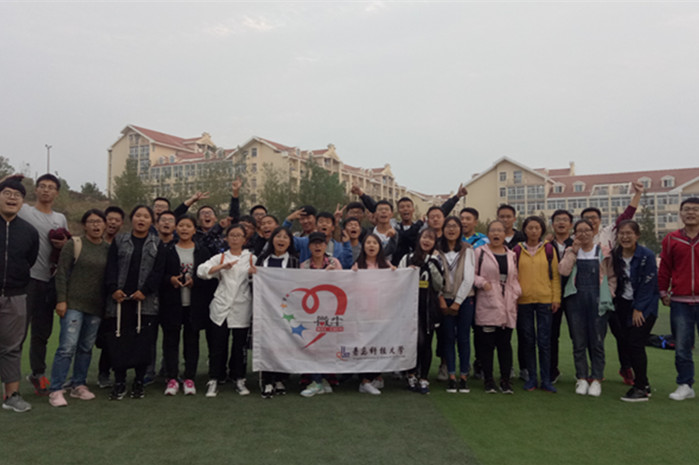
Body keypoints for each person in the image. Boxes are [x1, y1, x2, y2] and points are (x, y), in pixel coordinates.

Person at [583, 181, 643, 385]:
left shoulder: (609, 232)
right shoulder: (579, 238)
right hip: (589, 293)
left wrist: (637, 194)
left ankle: (626, 367)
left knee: (621, 334)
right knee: (593, 335)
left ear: (599, 220)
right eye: (587, 218)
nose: (591, 221)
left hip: (613, 293)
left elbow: (627, 216)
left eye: (594, 218)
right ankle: (594, 370)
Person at [48, 209, 110, 407]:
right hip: (73, 304)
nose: (96, 225)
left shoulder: (108, 249)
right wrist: (61, 300)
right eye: (91, 221)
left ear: (105, 225)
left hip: (96, 306)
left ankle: (78, 384)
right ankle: (56, 389)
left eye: (99, 221)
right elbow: (61, 273)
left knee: (85, 348)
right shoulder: (74, 244)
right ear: (84, 225)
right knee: (67, 347)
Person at [104, 205, 165, 400]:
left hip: (145, 302)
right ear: (131, 219)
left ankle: (139, 382)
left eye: (146, 216)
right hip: (120, 301)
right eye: (138, 215)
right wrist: (114, 289)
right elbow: (111, 267)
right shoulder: (119, 240)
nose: (141, 219)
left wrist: (145, 291)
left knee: (142, 343)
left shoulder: (157, 244)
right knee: (119, 342)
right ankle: (119, 382)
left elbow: (158, 271)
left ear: (151, 221)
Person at [19, 173, 68, 396]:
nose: (46, 190)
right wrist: (8, 180)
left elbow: (66, 248)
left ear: (56, 193)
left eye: (51, 187)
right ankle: (10, 379)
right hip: (27, 280)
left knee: (42, 332)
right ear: (36, 189)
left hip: (50, 282)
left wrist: (64, 243)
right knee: (18, 332)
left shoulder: (60, 218)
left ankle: (37, 374)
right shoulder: (24, 211)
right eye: (42, 186)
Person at [197, 224, 256, 398]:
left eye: (239, 235)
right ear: (227, 238)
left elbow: (263, 276)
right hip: (221, 307)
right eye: (232, 235)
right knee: (218, 345)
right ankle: (214, 379)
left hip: (242, 306)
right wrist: (220, 267)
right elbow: (201, 271)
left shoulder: (251, 258)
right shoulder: (221, 257)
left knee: (239, 346)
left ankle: (239, 378)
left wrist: (254, 273)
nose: (235, 238)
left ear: (244, 239)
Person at [558, 219, 614, 397]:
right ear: (574, 234)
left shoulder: (603, 251)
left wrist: (609, 294)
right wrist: (573, 252)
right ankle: (581, 377)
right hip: (575, 300)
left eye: (586, 230)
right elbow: (563, 271)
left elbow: (612, 276)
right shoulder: (571, 251)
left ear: (593, 232)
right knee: (578, 340)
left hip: (597, 299)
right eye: (579, 231)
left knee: (597, 341)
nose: (583, 234)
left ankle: (596, 379)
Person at [606, 220, 658, 402]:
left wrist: (638, 309)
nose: (625, 237)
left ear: (637, 235)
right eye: (622, 233)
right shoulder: (615, 255)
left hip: (644, 306)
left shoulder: (646, 255)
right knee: (627, 343)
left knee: (636, 343)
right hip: (622, 305)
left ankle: (641, 387)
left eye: (629, 233)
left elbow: (648, 286)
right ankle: (643, 383)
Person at [161, 215, 212, 396]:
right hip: (172, 304)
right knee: (170, 341)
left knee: (192, 342)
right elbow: (159, 274)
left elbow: (209, 277)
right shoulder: (167, 250)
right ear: (176, 228)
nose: (184, 229)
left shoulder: (202, 251)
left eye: (188, 226)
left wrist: (195, 282)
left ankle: (189, 378)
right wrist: (171, 279)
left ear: (194, 230)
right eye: (181, 225)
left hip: (194, 305)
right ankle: (172, 378)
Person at [0, 177, 39, 413]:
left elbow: (30, 260)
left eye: (17, 195)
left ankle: (11, 395)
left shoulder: (29, 231)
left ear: (23, 201)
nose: (12, 197)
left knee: (12, 347)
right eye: (7, 192)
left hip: (16, 296)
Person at [472, 221, 521, 394]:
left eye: (500, 230)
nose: (496, 234)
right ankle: (489, 380)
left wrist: (516, 292)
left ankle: (506, 380)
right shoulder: (480, 252)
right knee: (487, 345)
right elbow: (472, 274)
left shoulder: (511, 254)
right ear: (488, 234)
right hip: (488, 302)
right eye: (493, 230)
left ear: (504, 234)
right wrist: (482, 283)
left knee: (505, 344)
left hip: (507, 302)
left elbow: (514, 277)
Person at [513, 216, 560, 393]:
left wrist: (556, 298)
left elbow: (555, 276)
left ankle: (546, 379)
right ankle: (531, 377)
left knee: (544, 341)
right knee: (527, 340)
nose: (533, 231)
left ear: (542, 230)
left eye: (537, 228)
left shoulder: (549, 249)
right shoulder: (517, 250)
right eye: (530, 228)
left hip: (545, 300)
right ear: (524, 230)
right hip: (523, 300)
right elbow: (513, 276)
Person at [659, 197, 699, 401]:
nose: (691, 213)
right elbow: (665, 267)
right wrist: (663, 291)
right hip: (680, 302)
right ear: (680, 213)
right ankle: (685, 384)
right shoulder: (671, 239)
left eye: (695, 209)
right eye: (687, 209)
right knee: (682, 346)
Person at [253, 226, 299, 398]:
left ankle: (280, 378)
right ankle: (267, 380)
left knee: (283, 343)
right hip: (265, 309)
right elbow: (255, 283)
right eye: (278, 236)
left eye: (285, 237)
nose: (281, 240)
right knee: (267, 344)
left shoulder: (294, 261)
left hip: (286, 310)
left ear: (290, 242)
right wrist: (252, 274)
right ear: (272, 240)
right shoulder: (262, 260)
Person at [399, 228, 444, 394]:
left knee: (426, 343)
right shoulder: (407, 258)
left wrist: (431, 263)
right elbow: (397, 281)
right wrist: (407, 273)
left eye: (431, 239)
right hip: (409, 308)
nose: (427, 241)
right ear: (419, 239)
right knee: (413, 342)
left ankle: (424, 378)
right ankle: (411, 374)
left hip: (428, 309)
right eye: (425, 237)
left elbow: (439, 285)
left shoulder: (436, 260)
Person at [298, 232, 342, 397]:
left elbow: (343, 283)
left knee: (327, 347)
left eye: (321, 243)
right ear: (309, 246)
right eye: (314, 243)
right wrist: (324, 274)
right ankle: (316, 380)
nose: (317, 246)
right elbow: (303, 288)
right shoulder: (304, 266)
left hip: (331, 311)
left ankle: (323, 379)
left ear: (325, 245)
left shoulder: (334, 262)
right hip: (311, 312)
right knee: (312, 346)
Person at [351, 233, 394, 395]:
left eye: (374, 243)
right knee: (365, 346)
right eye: (368, 242)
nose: (371, 246)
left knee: (379, 345)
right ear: (363, 247)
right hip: (363, 314)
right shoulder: (358, 265)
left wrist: (398, 273)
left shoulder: (386, 265)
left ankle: (376, 376)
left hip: (381, 313)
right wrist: (352, 274)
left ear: (380, 247)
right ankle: (365, 381)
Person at [437, 216, 475, 393]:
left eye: (455, 226)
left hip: (465, 300)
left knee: (464, 338)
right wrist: (441, 298)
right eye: (448, 226)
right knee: (448, 338)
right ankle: (451, 376)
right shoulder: (437, 250)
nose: (451, 229)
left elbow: (469, 278)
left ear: (460, 230)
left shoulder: (467, 250)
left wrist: (458, 301)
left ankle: (464, 376)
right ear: (443, 229)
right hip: (444, 300)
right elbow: (435, 277)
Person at [549, 209, 574, 383]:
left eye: (565, 220)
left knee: (577, 334)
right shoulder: (546, 245)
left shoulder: (577, 244)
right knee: (551, 334)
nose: (561, 222)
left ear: (571, 225)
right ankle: (552, 370)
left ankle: (583, 371)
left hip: (573, 295)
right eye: (558, 220)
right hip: (552, 295)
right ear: (552, 224)